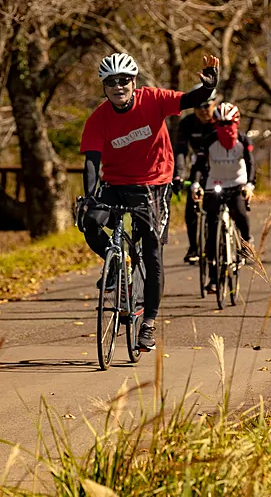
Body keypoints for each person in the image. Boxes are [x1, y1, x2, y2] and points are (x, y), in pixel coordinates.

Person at [79, 52, 219, 352]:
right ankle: (117, 263)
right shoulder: (98, 118)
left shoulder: (153, 99)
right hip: (115, 183)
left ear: (134, 82)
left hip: (154, 183)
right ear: (104, 87)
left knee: (152, 250)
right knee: (89, 221)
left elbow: (189, 100)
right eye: (111, 82)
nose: (119, 87)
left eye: (124, 81)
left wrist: (207, 88)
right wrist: (89, 198)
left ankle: (148, 324)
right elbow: (91, 162)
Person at [192, 102, 254, 293]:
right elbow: (199, 166)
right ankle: (212, 278)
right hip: (215, 183)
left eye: (229, 123)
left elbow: (252, 165)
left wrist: (250, 185)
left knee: (240, 212)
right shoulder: (209, 139)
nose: (225, 128)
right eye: (220, 123)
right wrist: (196, 185)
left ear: (236, 123)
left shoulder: (243, 140)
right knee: (212, 227)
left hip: (237, 182)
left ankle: (246, 242)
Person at [172, 97, 218, 264]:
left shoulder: (221, 117)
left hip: (221, 168)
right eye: (198, 106)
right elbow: (181, 151)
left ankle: (239, 240)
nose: (203, 110)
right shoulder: (188, 123)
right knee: (192, 206)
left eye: (206, 105)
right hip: (198, 169)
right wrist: (178, 175)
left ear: (214, 103)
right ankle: (194, 247)